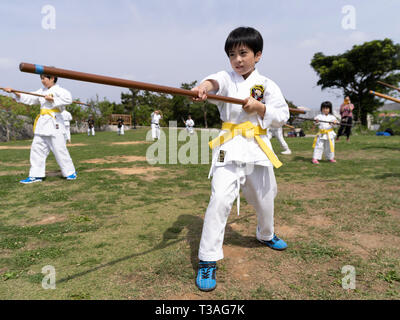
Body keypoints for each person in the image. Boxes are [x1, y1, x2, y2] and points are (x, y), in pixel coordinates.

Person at [191, 27, 289, 292]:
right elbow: (213, 83)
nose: (238, 59)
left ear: (257, 55)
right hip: (229, 146)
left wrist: (260, 108)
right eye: (232, 54)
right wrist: (203, 87)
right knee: (220, 199)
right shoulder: (226, 77)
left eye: (243, 53)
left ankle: (265, 234)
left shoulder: (267, 84)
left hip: (257, 147)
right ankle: (208, 258)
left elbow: (282, 114)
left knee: (265, 198)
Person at [4, 74, 77, 183]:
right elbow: (29, 97)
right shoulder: (41, 91)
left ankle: (70, 172)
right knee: (37, 149)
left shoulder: (60, 90)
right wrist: (14, 91)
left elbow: (68, 99)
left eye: (44, 78)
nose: (42, 81)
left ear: (52, 78)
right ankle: (36, 175)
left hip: (55, 122)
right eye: (41, 79)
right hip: (42, 124)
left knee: (60, 149)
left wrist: (53, 99)